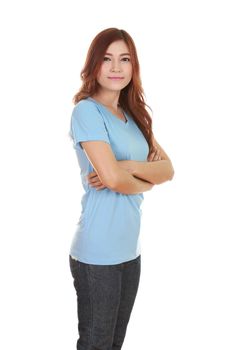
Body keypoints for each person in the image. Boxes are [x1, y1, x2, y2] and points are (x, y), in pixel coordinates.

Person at [68, 27, 174, 350]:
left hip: (130, 252)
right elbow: (111, 181)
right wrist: (142, 178)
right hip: (97, 253)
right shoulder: (86, 112)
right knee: (96, 345)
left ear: (133, 66)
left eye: (124, 59)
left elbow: (167, 170)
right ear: (94, 65)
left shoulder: (135, 116)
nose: (116, 68)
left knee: (114, 345)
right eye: (108, 59)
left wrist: (126, 167)